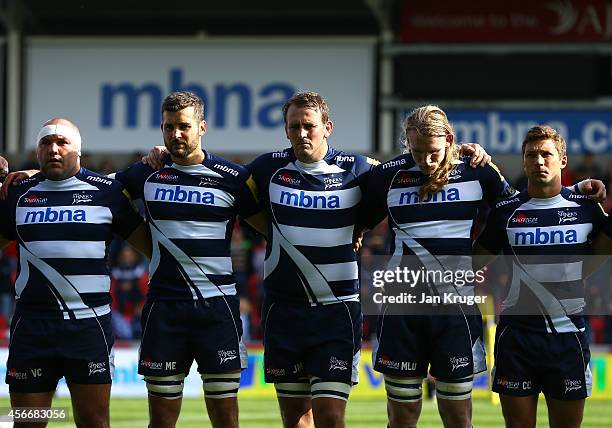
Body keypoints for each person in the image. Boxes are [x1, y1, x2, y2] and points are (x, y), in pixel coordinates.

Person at [358, 107, 606, 428]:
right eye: (417, 151)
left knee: (457, 416)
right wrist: (355, 234)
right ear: (407, 141)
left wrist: (575, 191)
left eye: (433, 152)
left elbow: (527, 204)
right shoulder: (387, 177)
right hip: (402, 311)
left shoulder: (478, 172)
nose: (426, 161)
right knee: (402, 416)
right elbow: (356, 216)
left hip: (455, 313)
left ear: (448, 140)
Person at [114, 91, 263, 428]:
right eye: (168, 127)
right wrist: (33, 174)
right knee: (162, 421)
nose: (176, 134)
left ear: (202, 127)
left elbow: (272, 226)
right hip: (164, 307)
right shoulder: (145, 173)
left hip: (218, 309)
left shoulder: (233, 178)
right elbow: (93, 190)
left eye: (184, 126)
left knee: (226, 420)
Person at [0, 118, 151, 428]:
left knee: (93, 422)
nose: (53, 149)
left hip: (88, 328)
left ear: (78, 150)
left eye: (62, 142)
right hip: (32, 328)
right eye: (45, 143)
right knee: (28, 422)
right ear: (37, 151)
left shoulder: (107, 192)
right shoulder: (17, 194)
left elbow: (151, 247)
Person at [474, 125, 612, 428]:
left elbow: (600, 254)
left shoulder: (587, 209)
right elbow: (472, 263)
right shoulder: (505, 212)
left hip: (568, 339)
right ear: (523, 162)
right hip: (516, 340)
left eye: (546, 154)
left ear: (562, 160)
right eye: (531, 155)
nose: (539, 160)